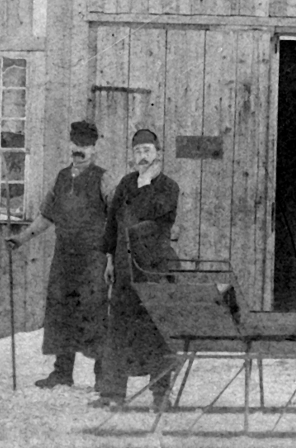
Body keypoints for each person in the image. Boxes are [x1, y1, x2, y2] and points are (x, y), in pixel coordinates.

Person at [6, 119, 114, 390]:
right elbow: (46, 216)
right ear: (70, 145)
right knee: (61, 312)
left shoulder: (103, 179)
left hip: (93, 260)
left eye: (86, 146)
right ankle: (62, 372)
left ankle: (103, 377)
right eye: (76, 144)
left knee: (94, 314)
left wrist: (112, 256)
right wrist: (21, 238)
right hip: (64, 258)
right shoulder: (61, 178)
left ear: (94, 148)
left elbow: (116, 219)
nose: (80, 150)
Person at [93, 127, 180, 411]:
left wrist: (145, 183)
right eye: (138, 152)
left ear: (158, 155)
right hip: (123, 267)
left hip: (155, 269)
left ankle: (161, 394)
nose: (142, 157)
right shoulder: (125, 184)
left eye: (147, 152)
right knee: (118, 329)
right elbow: (112, 224)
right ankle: (113, 393)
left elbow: (155, 212)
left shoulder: (169, 187)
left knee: (158, 331)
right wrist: (109, 258)